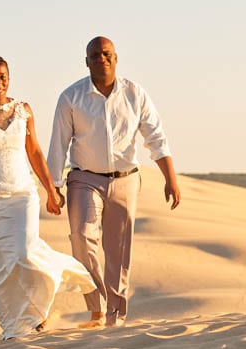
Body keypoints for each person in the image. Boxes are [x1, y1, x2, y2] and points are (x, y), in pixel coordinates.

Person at [0, 54, 96, 339]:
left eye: (3, 76)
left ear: (9, 78)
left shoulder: (23, 110)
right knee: (2, 265)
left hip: (22, 195)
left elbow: (34, 153)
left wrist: (51, 190)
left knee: (25, 253)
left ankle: (42, 303)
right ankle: (17, 325)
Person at [47, 36, 181, 328]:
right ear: (86, 61)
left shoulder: (135, 94)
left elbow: (155, 137)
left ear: (116, 58)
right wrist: (52, 186)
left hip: (126, 179)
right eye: (95, 55)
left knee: (118, 251)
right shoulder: (71, 97)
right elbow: (58, 144)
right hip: (84, 178)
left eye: (106, 54)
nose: (101, 59)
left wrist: (170, 177)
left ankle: (115, 318)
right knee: (81, 238)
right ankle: (96, 306)